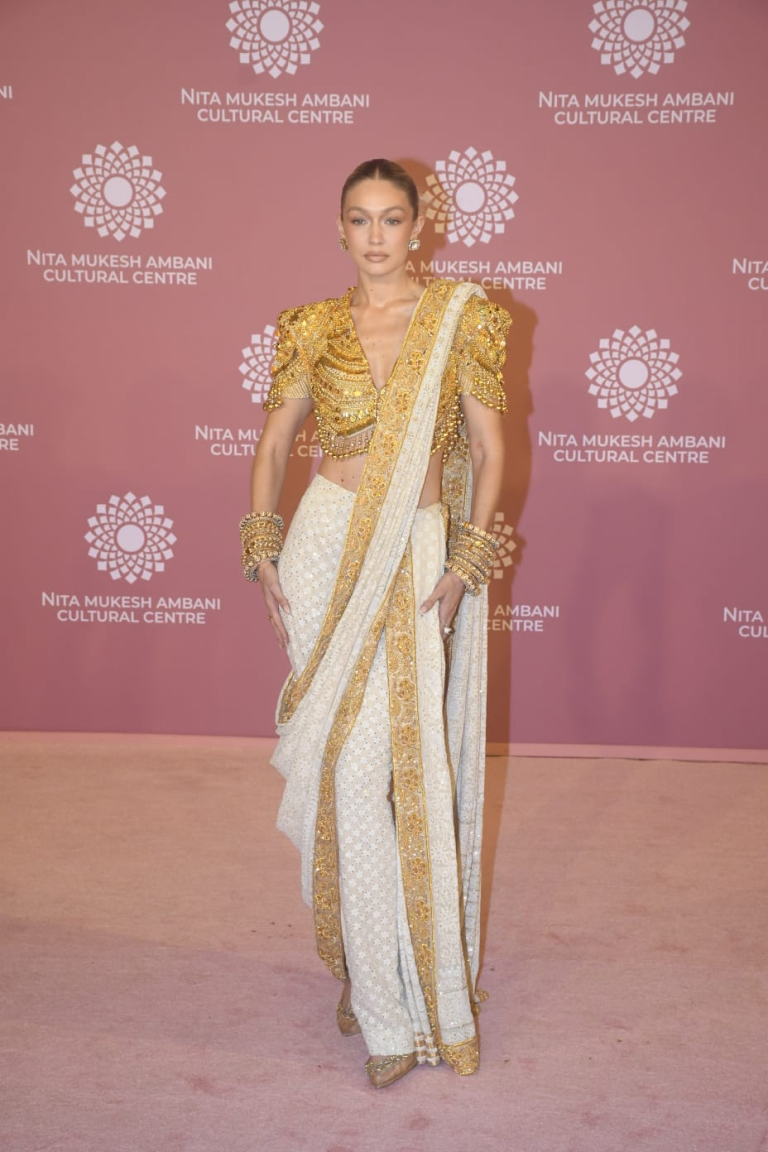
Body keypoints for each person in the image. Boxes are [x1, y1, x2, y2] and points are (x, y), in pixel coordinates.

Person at [241, 159, 511, 1088]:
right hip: (323, 545)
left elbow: (490, 448)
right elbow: (275, 443)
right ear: (340, 229)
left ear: (418, 226)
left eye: (393, 218)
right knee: (348, 773)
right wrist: (263, 543)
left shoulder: (462, 319)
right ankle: (383, 1000)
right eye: (360, 220)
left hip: (415, 548)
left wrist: (466, 561)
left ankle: (395, 983)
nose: (377, 237)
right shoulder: (309, 325)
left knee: (387, 772)